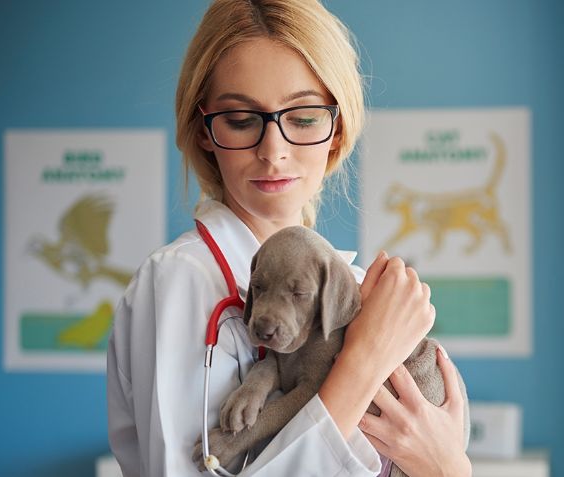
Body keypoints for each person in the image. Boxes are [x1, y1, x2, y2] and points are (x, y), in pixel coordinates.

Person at [105, 0, 471, 475]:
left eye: (303, 118)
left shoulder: (355, 288)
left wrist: (448, 466)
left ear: (336, 131)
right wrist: (362, 359)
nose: (273, 151)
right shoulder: (181, 281)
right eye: (240, 120)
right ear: (203, 132)